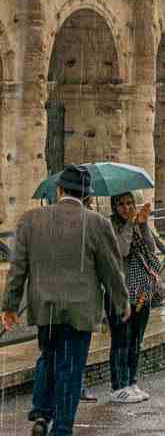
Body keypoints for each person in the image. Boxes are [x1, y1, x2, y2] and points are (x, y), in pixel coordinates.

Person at [4, 165, 129, 436]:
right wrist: (122, 302)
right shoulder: (97, 223)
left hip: (44, 307)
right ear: (86, 196)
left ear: (59, 190)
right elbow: (111, 269)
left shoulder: (31, 219)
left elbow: (17, 269)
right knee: (70, 368)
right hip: (80, 310)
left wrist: (10, 307)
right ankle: (61, 429)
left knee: (48, 356)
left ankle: (41, 412)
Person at [107, 192, 165, 404]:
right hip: (119, 291)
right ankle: (118, 385)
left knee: (136, 339)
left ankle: (131, 381)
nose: (126, 208)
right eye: (121, 204)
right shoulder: (110, 226)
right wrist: (130, 225)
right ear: (114, 207)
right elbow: (121, 250)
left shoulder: (137, 224)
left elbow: (151, 249)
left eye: (129, 203)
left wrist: (143, 225)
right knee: (121, 338)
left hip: (141, 289)